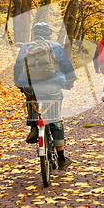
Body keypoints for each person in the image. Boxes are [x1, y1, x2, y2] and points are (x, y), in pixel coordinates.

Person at [14, 22, 77, 170]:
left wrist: (19, 83)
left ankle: (33, 127)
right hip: (52, 86)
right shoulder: (55, 46)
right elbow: (67, 67)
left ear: (34, 34)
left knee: (31, 99)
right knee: (55, 119)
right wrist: (70, 82)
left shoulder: (26, 46)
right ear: (49, 34)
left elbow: (17, 66)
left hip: (30, 85)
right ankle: (61, 158)